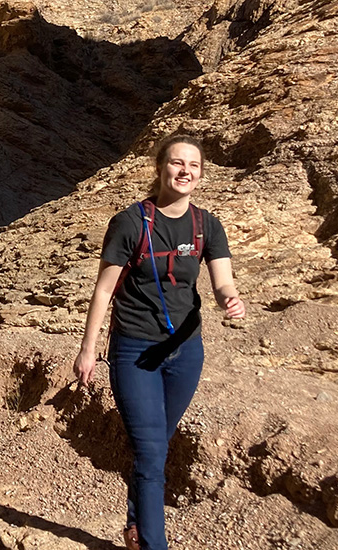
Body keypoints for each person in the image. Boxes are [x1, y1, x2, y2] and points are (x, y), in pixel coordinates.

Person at [71, 135, 245, 550]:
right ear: (160, 168)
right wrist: (88, 349)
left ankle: (135, 524)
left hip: (186, 353)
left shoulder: (207, 225)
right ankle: (153, 543)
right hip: (135, 351)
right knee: (150, 454)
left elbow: (222, 280)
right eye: (177, 163)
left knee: (157, 447)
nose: (185, 171)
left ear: (201, 174)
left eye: (194, 165)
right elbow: (103, 291)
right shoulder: (130, 222)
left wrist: (229, 299)